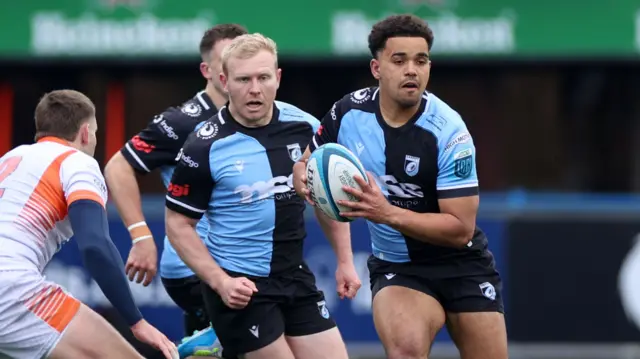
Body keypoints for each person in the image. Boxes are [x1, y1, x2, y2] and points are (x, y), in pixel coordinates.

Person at [293, 14, 508, 359]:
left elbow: (459, 228)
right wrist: (304, 180)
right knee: (405, 350)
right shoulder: (346, 114)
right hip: (399, 267)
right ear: (376, 68)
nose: (412, 70)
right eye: (399, 60)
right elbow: (305, 165)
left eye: (420, 61)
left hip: (463, 264)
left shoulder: (450, 132)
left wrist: (386, 212)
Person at [164, 33, 360, 359]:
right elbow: (178, 225)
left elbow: (326, 197)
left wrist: (345, 261)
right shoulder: (203, 145)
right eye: (244, 79)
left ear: (278, 78)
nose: (255, 89)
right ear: (224, 81)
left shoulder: (306, 127)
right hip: (240, 289)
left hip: (295, 277)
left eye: (263, 77)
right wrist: (220, 282)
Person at [104, 24, 248, 357]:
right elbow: (118, 166)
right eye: (225, 60)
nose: (234, 68)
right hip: (195, 266)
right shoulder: (183, 122)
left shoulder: (260, 115)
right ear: (207, 70)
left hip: (236, 260)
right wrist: (140, 236)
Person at [0, 90, 177, 359]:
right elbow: (95, 246)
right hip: (11, 289)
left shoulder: (10, 158)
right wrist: (136, 322)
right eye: (95, 132)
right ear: (85, 133)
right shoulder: (76, 161)